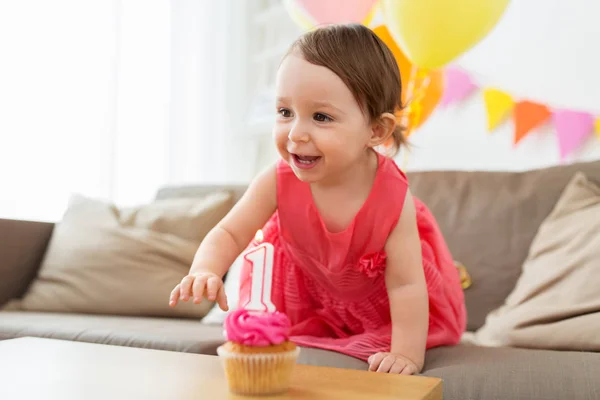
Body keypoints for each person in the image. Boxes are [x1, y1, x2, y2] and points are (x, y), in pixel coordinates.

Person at [169, 24, 466, 375]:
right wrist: (206, 268)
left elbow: (405, 284)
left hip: (381, 303)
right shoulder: (277, 180)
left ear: (375, 130)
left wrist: (406, 355)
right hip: (308, 298)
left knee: (396, 321)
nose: (296, 133)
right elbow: (231, 233)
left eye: (321, 117)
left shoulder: (390, 197)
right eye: (284, 112)